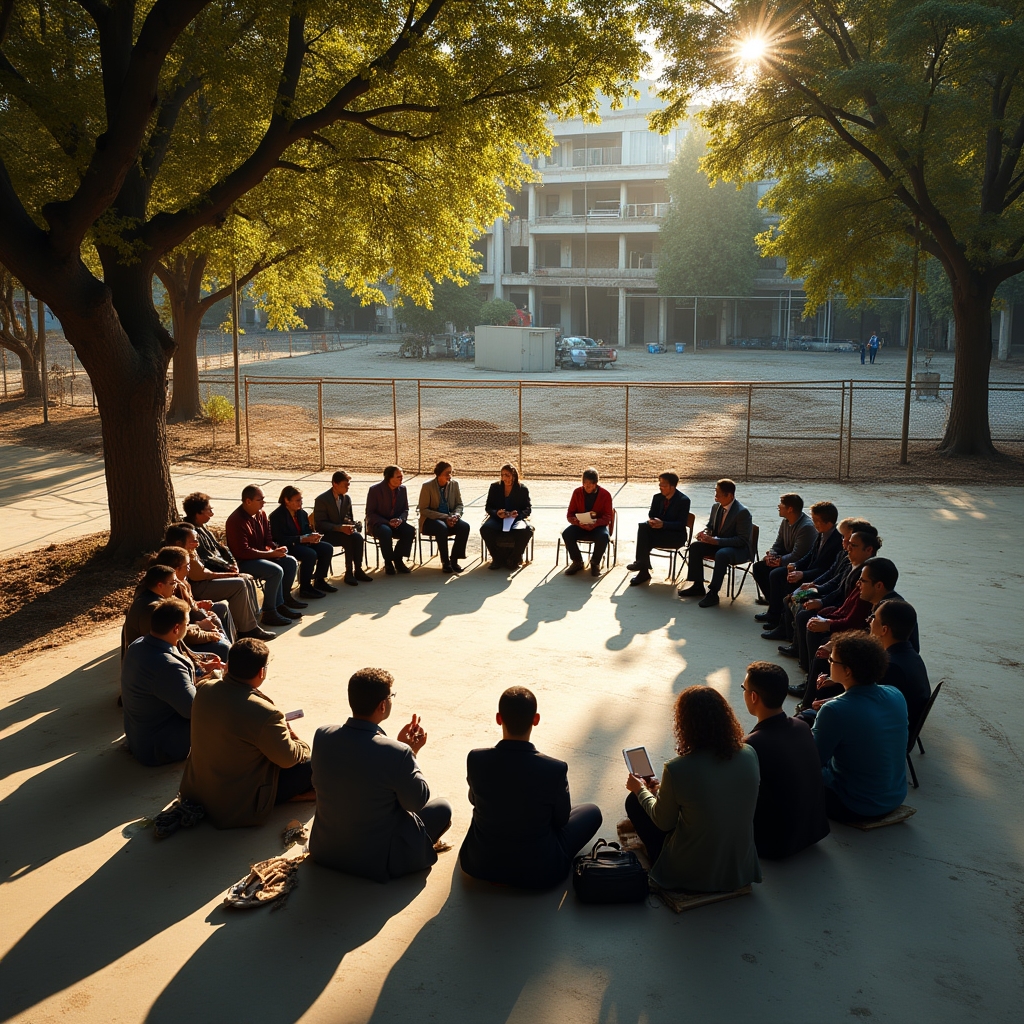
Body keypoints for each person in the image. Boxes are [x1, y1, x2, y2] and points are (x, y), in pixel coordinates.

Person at [308, 668, 452, 882]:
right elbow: (417, 801)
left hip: (325, 850)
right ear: (382, 705)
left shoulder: (323, 735)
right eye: (391, 696)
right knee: (442, 808)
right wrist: (410, 753)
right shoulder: (397, 753)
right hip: (375, 861)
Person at [459, 686, 602, 888]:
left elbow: (474, 800)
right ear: (536, 719)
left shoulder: (476, 758)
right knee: (591, 812)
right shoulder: (554, 768)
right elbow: (561, 820)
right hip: (541, 871)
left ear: (499, 718)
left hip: (479, 864)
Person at [624, 686, 761, 893]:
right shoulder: (749, 753)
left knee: (634, 801)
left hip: (691, 870)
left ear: (684, 725)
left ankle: (659, 859)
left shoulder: (677, 768)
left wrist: (640, 789)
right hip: (738, 865)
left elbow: (663, 822)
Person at [178, 638, 314, 827]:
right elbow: (289, 759)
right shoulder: (266, 713)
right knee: (312, 765)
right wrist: (297, 741)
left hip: (197, 791)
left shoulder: (204, 688)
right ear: (261, 671)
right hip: (233, 805)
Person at [812, 633, 908, 822]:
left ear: (847, 671)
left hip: (855, 805)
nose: (829, 662)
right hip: (894, 797)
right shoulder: (895, 693)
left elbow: (813, 760)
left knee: (790, 764)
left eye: (832, 659)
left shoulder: (834, 710)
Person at [741, 662, 829, 859]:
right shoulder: (801, 726)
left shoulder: (752, 745)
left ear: (753, 696)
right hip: (812, 831)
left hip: (775, 844)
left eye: (744, 688)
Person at [165, 522, 272, 641]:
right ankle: (246, 630)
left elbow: (205, 570)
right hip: (198, 587)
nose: (197, 544)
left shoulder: (190, 552)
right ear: (179, 543)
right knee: (239, 584)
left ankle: (251, 624)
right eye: (193, 541)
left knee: (244, 581)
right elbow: (202, 575)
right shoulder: (178, 557)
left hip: (199, 586)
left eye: (197, 540)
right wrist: (232, 575)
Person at [120, 598, 196, 766]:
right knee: (222, 705)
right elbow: (194, 710)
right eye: (187, 624)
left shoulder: (137, 646)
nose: (188, 627)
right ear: (177, 628)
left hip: (138, 737)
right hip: (159, 748)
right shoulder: (168, 666)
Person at [757, 500, 842, 634]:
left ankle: (785, 629)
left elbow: (828, 572)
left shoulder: (838, 543)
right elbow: (810, 555)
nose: (813, 523)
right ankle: (777, 618)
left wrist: (807, 579)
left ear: (828, 522)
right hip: (814, 580)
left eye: (815, 520)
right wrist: (796, 565)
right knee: (780, 578)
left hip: (819, 583)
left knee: (793, 595)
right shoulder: (822, 533)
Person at [225, 484, 303, 627]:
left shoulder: (261, 514)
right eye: (260, 500)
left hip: (262, 555)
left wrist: (276, 549)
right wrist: (270, 553)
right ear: (248, 501)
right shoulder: (235, 520)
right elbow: (242, 551)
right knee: (275, 570)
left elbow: (268, 538)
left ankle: (282, 602)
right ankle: (269, 612)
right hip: (244, 561)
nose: (263, 503)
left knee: (289, 561)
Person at [678, 479, 753, 608]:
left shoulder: (742, 513)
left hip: (737, 549)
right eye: (715, 491)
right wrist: (705, 533)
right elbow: (710, 526)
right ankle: (698, 585)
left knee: (722, 554)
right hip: (719, 544)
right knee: (695, 547)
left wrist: (716, 541)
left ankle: (713, 593)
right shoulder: (716, 506)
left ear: (729, 495)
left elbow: (742, 540)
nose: (715, 495)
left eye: (718, 493)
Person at [155, 545, 233, 661]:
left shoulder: (182, 582)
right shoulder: (174, 589)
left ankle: (233, 647)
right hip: (188, 636)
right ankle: (231, 657)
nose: (189, 569)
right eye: (187, 566)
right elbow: (183, 632)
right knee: (223, 646)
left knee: (220, 609)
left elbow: (191, 607)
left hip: (193, 625)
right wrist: (208, 632)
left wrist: (199, 605)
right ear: (176, 570)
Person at [268, 485, 338, 598]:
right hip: (288, 546)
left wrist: (312, 536)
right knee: (310, 554)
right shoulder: (277, 516)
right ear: (286, 500)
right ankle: (305, 588)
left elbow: (306, 530)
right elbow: (279, 538)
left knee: (327, 548)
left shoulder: (302, 513)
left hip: (304, 543)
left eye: (301, 499)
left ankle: (319, 580)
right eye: (297, 500)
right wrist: (302, 539)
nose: (301, 502)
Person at [871, 600, 931, 729]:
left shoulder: (891, 667)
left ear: (884, 629)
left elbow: (869, 706)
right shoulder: (911, 655)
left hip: (888, 738)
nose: (870, 623)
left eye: (873, 618)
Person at [751, 493, 816, 608]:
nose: (778, 506)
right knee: (759, 567)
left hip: (799, 565)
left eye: (781, 504)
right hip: (786, 559)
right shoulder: (786, 521)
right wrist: (772, 554)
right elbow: (778, 543)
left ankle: (775, 611)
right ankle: (773, 603)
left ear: (790, 509)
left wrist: (780, 561)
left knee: (775, 574)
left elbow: (798, 555)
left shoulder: (806, 527)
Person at [627, 471, 691, 586]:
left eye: (664, 485)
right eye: (660, 484)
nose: (661, 487)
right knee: (643, 527)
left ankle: (642, 568)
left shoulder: (683, 500)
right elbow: (652, 513)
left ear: (673, 486)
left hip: (674, 536)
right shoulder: (657, 498)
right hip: (658, 531)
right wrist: (653, 521)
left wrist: (664, 524)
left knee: (645, 539)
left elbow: (681, 524)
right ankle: (643, 567)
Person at [312, 470, 372, 586]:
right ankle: (349, 572)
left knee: (357, 538)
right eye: (346, 485)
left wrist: (353, 524)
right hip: (327, 534)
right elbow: (320, 524)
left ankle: (358, 569)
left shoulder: (346, 499)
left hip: (342, 531)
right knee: (348, 539)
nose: (348, 487)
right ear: (335, 484)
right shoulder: (322, 500)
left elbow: (347, 517)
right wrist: (339, 528)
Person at [418, 460, 471, 573]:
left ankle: (454, 560)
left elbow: (459, 504)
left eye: (451, 472)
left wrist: (456, 515)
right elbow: (424, 509)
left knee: (464, 527)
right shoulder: (427, 486)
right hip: (431, 520)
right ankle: (445, 562)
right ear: (439, 473)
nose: (449, 476)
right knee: (442, 527)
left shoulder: (454, 484)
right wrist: (445, 517)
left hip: (450, 517)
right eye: (447, 473)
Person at [562, 467, 614, 577]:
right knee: (567, 533)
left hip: (597, 526)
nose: (586, 487)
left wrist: (595, 523)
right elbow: (570, 514)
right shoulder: (577, 492)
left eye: (589, 485)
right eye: (584, 483)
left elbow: (608, 516)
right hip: (580, 525)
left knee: (604, 536)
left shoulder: (605, 495)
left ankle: (595, 563)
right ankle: (577, 561)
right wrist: (577, 522)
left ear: (595, 484)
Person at [480, 463, 533, 569]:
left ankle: (514, 558)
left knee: (526, 530)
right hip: (498, 519)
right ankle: (496, 558)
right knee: (485, 529)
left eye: (507, 475)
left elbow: (528, 508)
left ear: (513, 475)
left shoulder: (522, 489)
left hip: (515, 519)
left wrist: (518, 515)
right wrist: (497, 513)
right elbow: (488, 507)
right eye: (502, 475)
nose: (504, 478)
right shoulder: (495, 487)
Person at [365, 466, 416, 574]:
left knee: (409, 531)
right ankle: (388, 562)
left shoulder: (402, 489)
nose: (401, 479)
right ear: (389, 477)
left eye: (402, 477)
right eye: (398, 477)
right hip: (379, 523)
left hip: (396, 522)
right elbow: (370, 513)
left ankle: (398, 559)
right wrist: (387, 522)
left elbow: (405, 509)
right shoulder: (375, 490)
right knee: (385, 531)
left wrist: (400, 519)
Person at [122, 564, 178, 654]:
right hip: (148, 663)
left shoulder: (144, 598)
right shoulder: (153, 609)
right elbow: (163, 641)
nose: (176, 586)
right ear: (160, 585)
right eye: (173, 583)